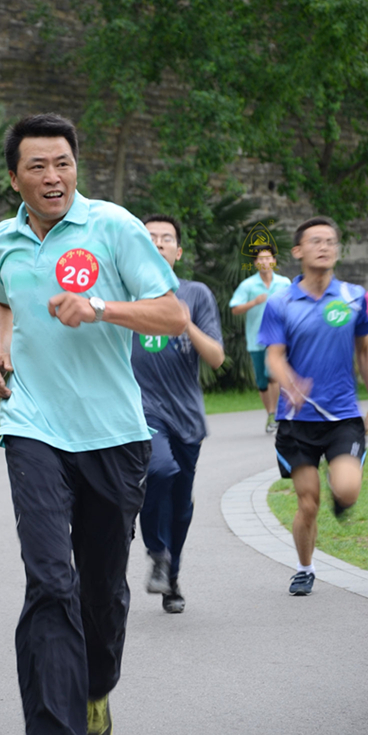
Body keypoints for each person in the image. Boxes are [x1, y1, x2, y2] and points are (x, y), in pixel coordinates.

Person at [0, 113, 187, 735]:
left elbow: (172, 315)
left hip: (113, 435)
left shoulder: (114, 226)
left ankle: (96, 688)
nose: (53, 176)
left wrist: (98, 307)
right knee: (49, 582)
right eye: (37, 166)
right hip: (32, 425)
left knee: (102, 593)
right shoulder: (1, 240)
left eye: (63, 163)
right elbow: (2, 300)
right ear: (14, 178)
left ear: (76, 168)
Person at [258, 217, 368, 596]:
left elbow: (364, 352)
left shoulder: (354, 297)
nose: (324, 247)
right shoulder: (281, 302)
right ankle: (305, 568)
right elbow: (274, 356)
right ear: (298, 251)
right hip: (296, 421)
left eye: (330, 241)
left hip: (342, 416)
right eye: (316, 241)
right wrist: (289, 380)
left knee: (348, 491)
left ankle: (341, 493)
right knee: (308, 503)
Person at [130, 214, 224, 613]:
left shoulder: (196, 295)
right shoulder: (125, 294)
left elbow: (216, 357)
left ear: (178, 251)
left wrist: (185, 324)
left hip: (186, 417)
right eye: (149, 237)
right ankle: (156, 551)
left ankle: (171, 576)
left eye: (166, 238)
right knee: (159, 470)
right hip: (141, 411)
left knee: (181, 504)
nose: (157, 243)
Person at [230, 244, 290, 432]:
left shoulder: (284, 283)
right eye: (261, 259)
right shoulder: (248, 285)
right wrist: (254, 302)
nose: (265, 262)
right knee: (262, 382)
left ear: (274, 261)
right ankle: (270, 414)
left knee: (273, 374)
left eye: (268, 258)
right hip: (256, 339)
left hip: (277, 338)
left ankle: (275, 414)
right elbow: (235, 308)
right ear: (256, 263)